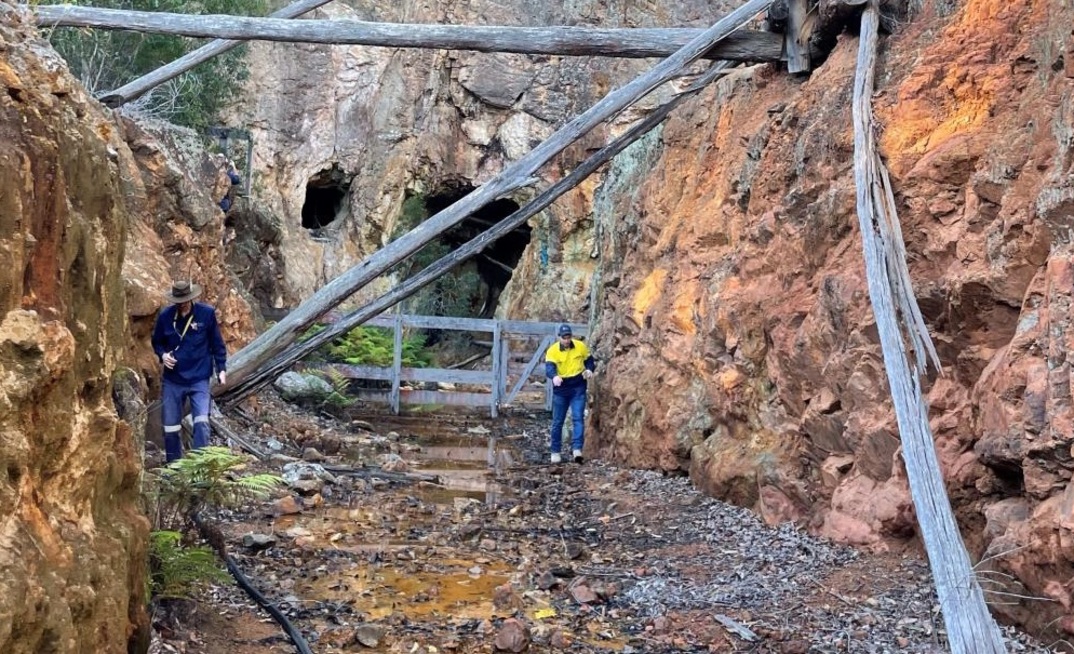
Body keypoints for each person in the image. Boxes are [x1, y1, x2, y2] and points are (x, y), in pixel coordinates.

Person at [151, 280, 228, 462]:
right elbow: (157, 342)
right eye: (179, 302)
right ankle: (175, 468)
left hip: (199, 378)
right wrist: (163, 355)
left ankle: (198, 466)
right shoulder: (165, 316)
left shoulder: (206, 314)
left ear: (191, 298)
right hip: (173, 380)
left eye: (185, 300)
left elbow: (217, 344)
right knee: (170, 427)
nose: (183, 304)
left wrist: (221, 369)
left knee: (201, 422)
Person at [544, 323, 595, 464]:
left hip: (578, 385)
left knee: (578, 418)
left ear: (571, 336)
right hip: (561, 388)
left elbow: (589, 360)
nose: (566, 340)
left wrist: (589, 370)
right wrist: (554, 376)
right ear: (559, 337)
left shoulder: (580, 346)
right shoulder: (553, 351)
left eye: (568, 337)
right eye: (564, 337)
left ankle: (577, 449)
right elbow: (549, 368)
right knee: (557, 421)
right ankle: (555, 451)